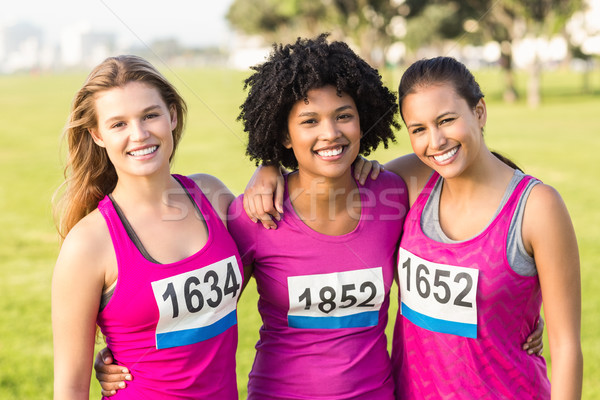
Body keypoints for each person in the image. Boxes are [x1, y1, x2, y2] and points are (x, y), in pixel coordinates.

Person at [244, 56, 581, 399]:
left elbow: (566, 345)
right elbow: (332, 165)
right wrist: (269, 167)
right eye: (418, 129)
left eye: (447, 120)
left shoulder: (534, 206)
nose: (435, 142)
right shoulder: (411, 180)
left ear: (479, 112)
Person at [52, 55, 242, 399]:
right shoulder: (89, 244)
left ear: (172, 115)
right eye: (118, 124)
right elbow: (69, 388)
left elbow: (279, 256)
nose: (139, 135)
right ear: (97, 134)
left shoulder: (213, 196)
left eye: (150, 115)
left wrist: (270, 170)